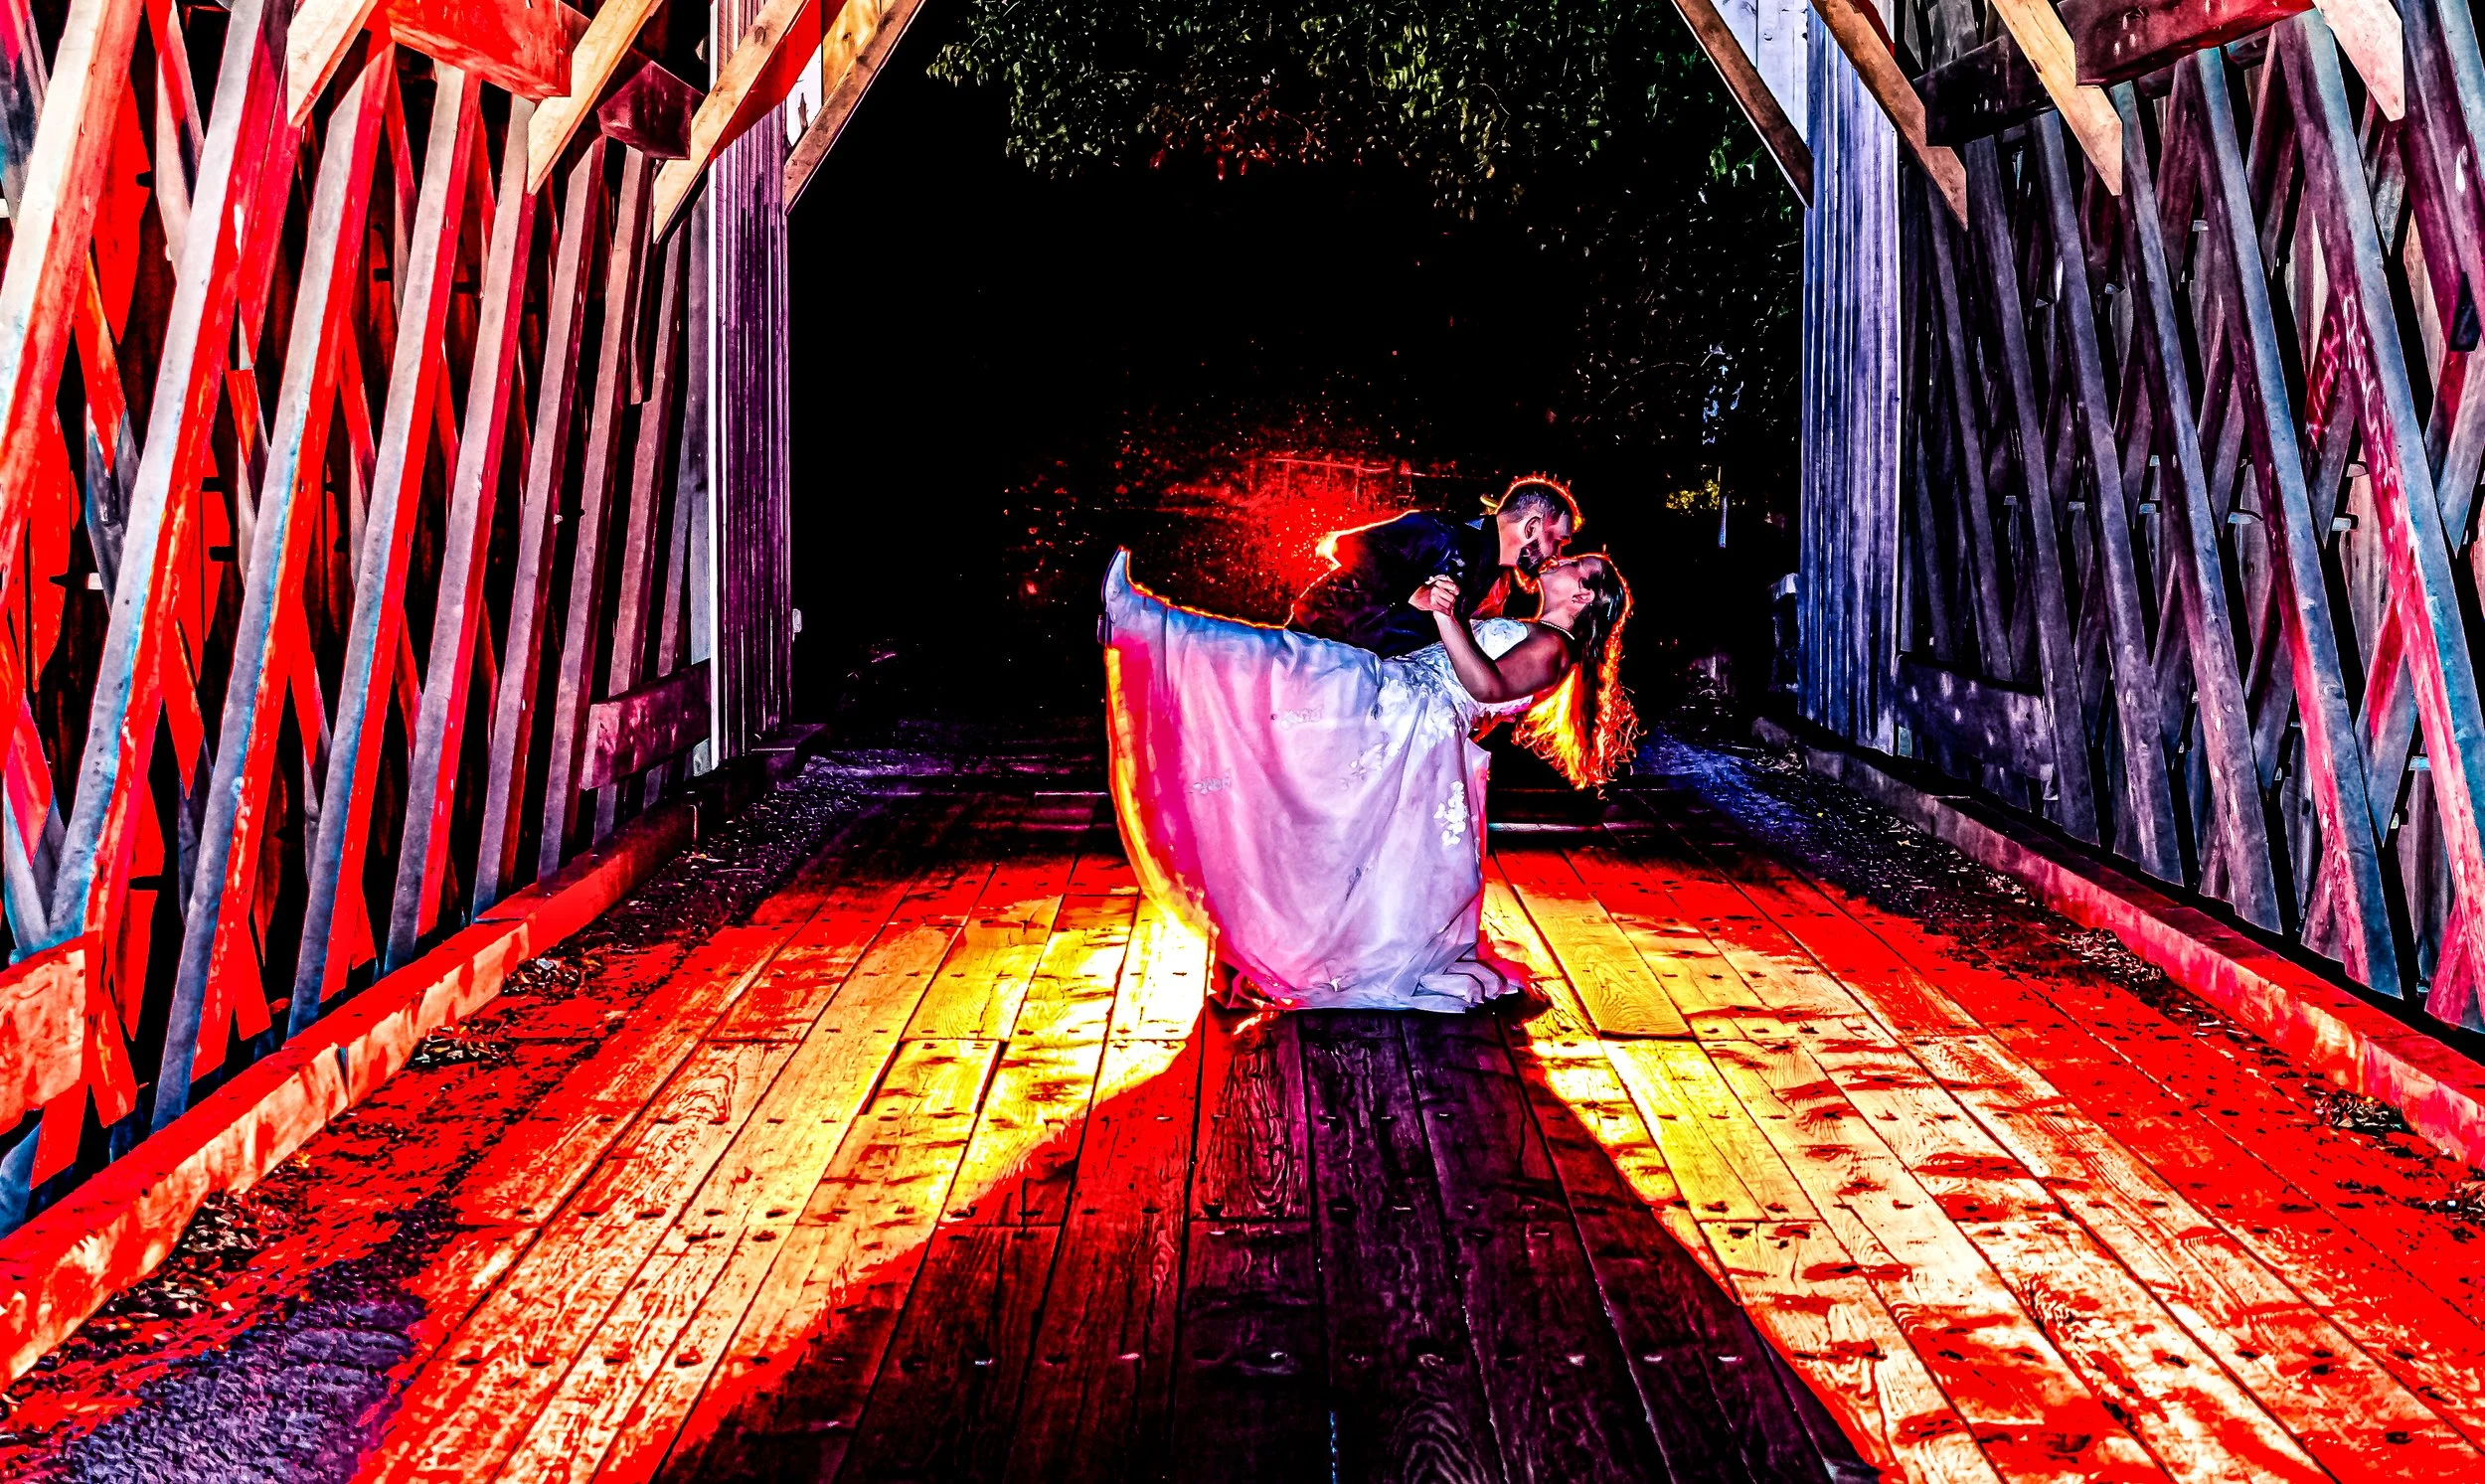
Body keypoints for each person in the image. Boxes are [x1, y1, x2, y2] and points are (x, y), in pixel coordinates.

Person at [1100, 542, 1635, 1013]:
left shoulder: (1555, 648)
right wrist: (1433, 607)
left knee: (1287, 666)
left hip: (1410, 716)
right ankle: (1150, 632)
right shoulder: (1534, 629)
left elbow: (1487, 686)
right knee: (1286, 671)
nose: (1560, 558)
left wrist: (1450, 620)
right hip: (1400, 697)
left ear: (1582, 595)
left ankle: (1146, 626)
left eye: (1575, 563)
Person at [1287, 474, 1580, 658]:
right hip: (1314, 651)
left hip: (1364, 674)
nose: (1555, 553)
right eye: (1557, 540)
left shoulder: (1499, 584)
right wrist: (1416, 591)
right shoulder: (1442, 533)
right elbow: (1350, 546)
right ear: (1531, 527)